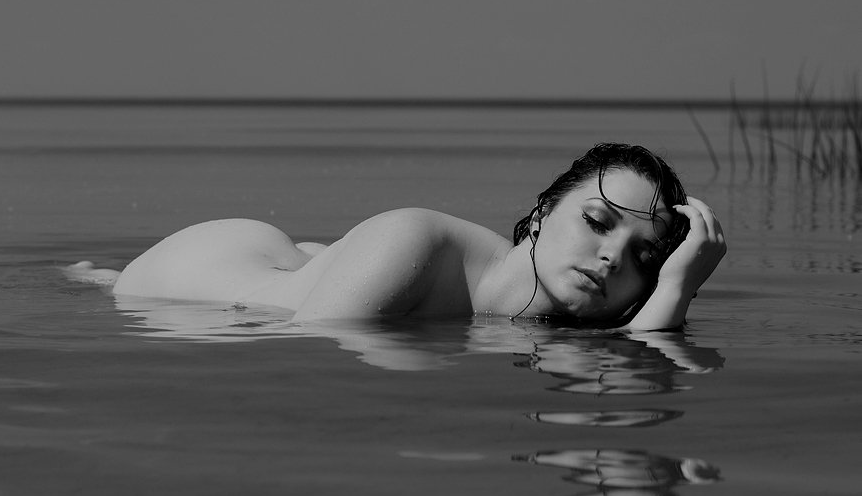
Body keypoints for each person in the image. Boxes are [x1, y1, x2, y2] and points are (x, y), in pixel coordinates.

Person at [101, 143, 725, 331]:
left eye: (643, 256)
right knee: (99, 282)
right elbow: (308, 349)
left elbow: (638, 368)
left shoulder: (585, 319)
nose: (613, 256)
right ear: (540, 215)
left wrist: (678, 286)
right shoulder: (414, 241)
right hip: (207, 273)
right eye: (595, 222)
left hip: (321, 268)